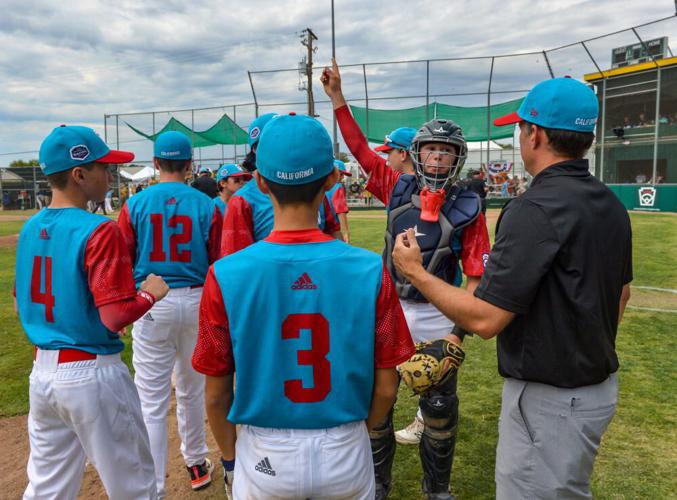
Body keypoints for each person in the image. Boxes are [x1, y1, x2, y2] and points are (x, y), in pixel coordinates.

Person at [392, 77, 632, 500]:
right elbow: (622, 295)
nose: (519, 136)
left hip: (550, 399)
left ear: (535, 134)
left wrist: (415, 272)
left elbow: (485, 319)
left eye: (520, 129)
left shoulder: (533, 208)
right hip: (595, 389)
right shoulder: (609, 202)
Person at [192, 113, 415, 499]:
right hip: (343, 444)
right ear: (331, 179)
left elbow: (215, 395)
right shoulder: (369, 269)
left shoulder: (225, 274)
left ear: (259, 182)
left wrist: (229, 459)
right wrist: (355, 436)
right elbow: (386, 387)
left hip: (265, 451)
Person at [322, 58, 490, 500]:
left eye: (446, 151)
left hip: (437, 314)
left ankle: (438, 489)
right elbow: (359, 148)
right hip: (388, 310)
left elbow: (475, 278)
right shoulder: (395, 187)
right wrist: (338, 98)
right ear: (416, 153)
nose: (438, 157)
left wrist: (456, 335)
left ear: (457, 157)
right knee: (378, 404)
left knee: (438, 408)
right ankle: (378, 485)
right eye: (431, 149)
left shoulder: (469, 206)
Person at [16, 125, 170, 499]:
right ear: (79, 174)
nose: (109, 175)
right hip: (92, 374)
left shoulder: (30, 228)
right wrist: (149, 295)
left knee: (47, 488)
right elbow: (114, 316)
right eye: (103, 168)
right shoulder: (100, 229)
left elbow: (27, 304)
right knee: (135, 486)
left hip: (43, 374)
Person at [117, 130, 223, 497]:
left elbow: (123, 258)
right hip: (195, 299)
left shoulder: (136, 203)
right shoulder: (206, 204)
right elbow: (217, 262)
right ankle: (195, 460)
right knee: (192, 389)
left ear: (157, 163)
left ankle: (154, 482)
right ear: (190, 165)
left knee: (151, 397)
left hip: (151, 300)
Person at [220, 113, 342, 257]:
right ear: (256, 150)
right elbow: (235, 263)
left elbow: (334, 233)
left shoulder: (317, 189)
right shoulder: (241, 200)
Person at [326, 159, 352, 243]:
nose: (342, 177)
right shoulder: (337, 187)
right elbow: (341, 212)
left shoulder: (321, 186)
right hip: (333, 231)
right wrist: (346, 233)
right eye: (341, 174)